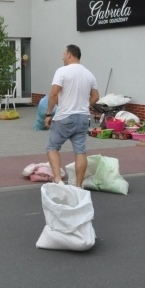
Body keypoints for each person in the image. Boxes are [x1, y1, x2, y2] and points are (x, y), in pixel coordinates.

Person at [44, 44, 100, 186]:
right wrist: (85, 105)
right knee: (80, 152)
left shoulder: (62, 71)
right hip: (82, 118)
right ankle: (79, 186)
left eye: (64, 54)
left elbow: (54, 94)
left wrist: (48, 113)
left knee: (52, 147)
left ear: (69, 55)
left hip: (64, 117)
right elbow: (96, 97)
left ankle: (58, 179)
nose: (62, 57)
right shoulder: (89, 74)